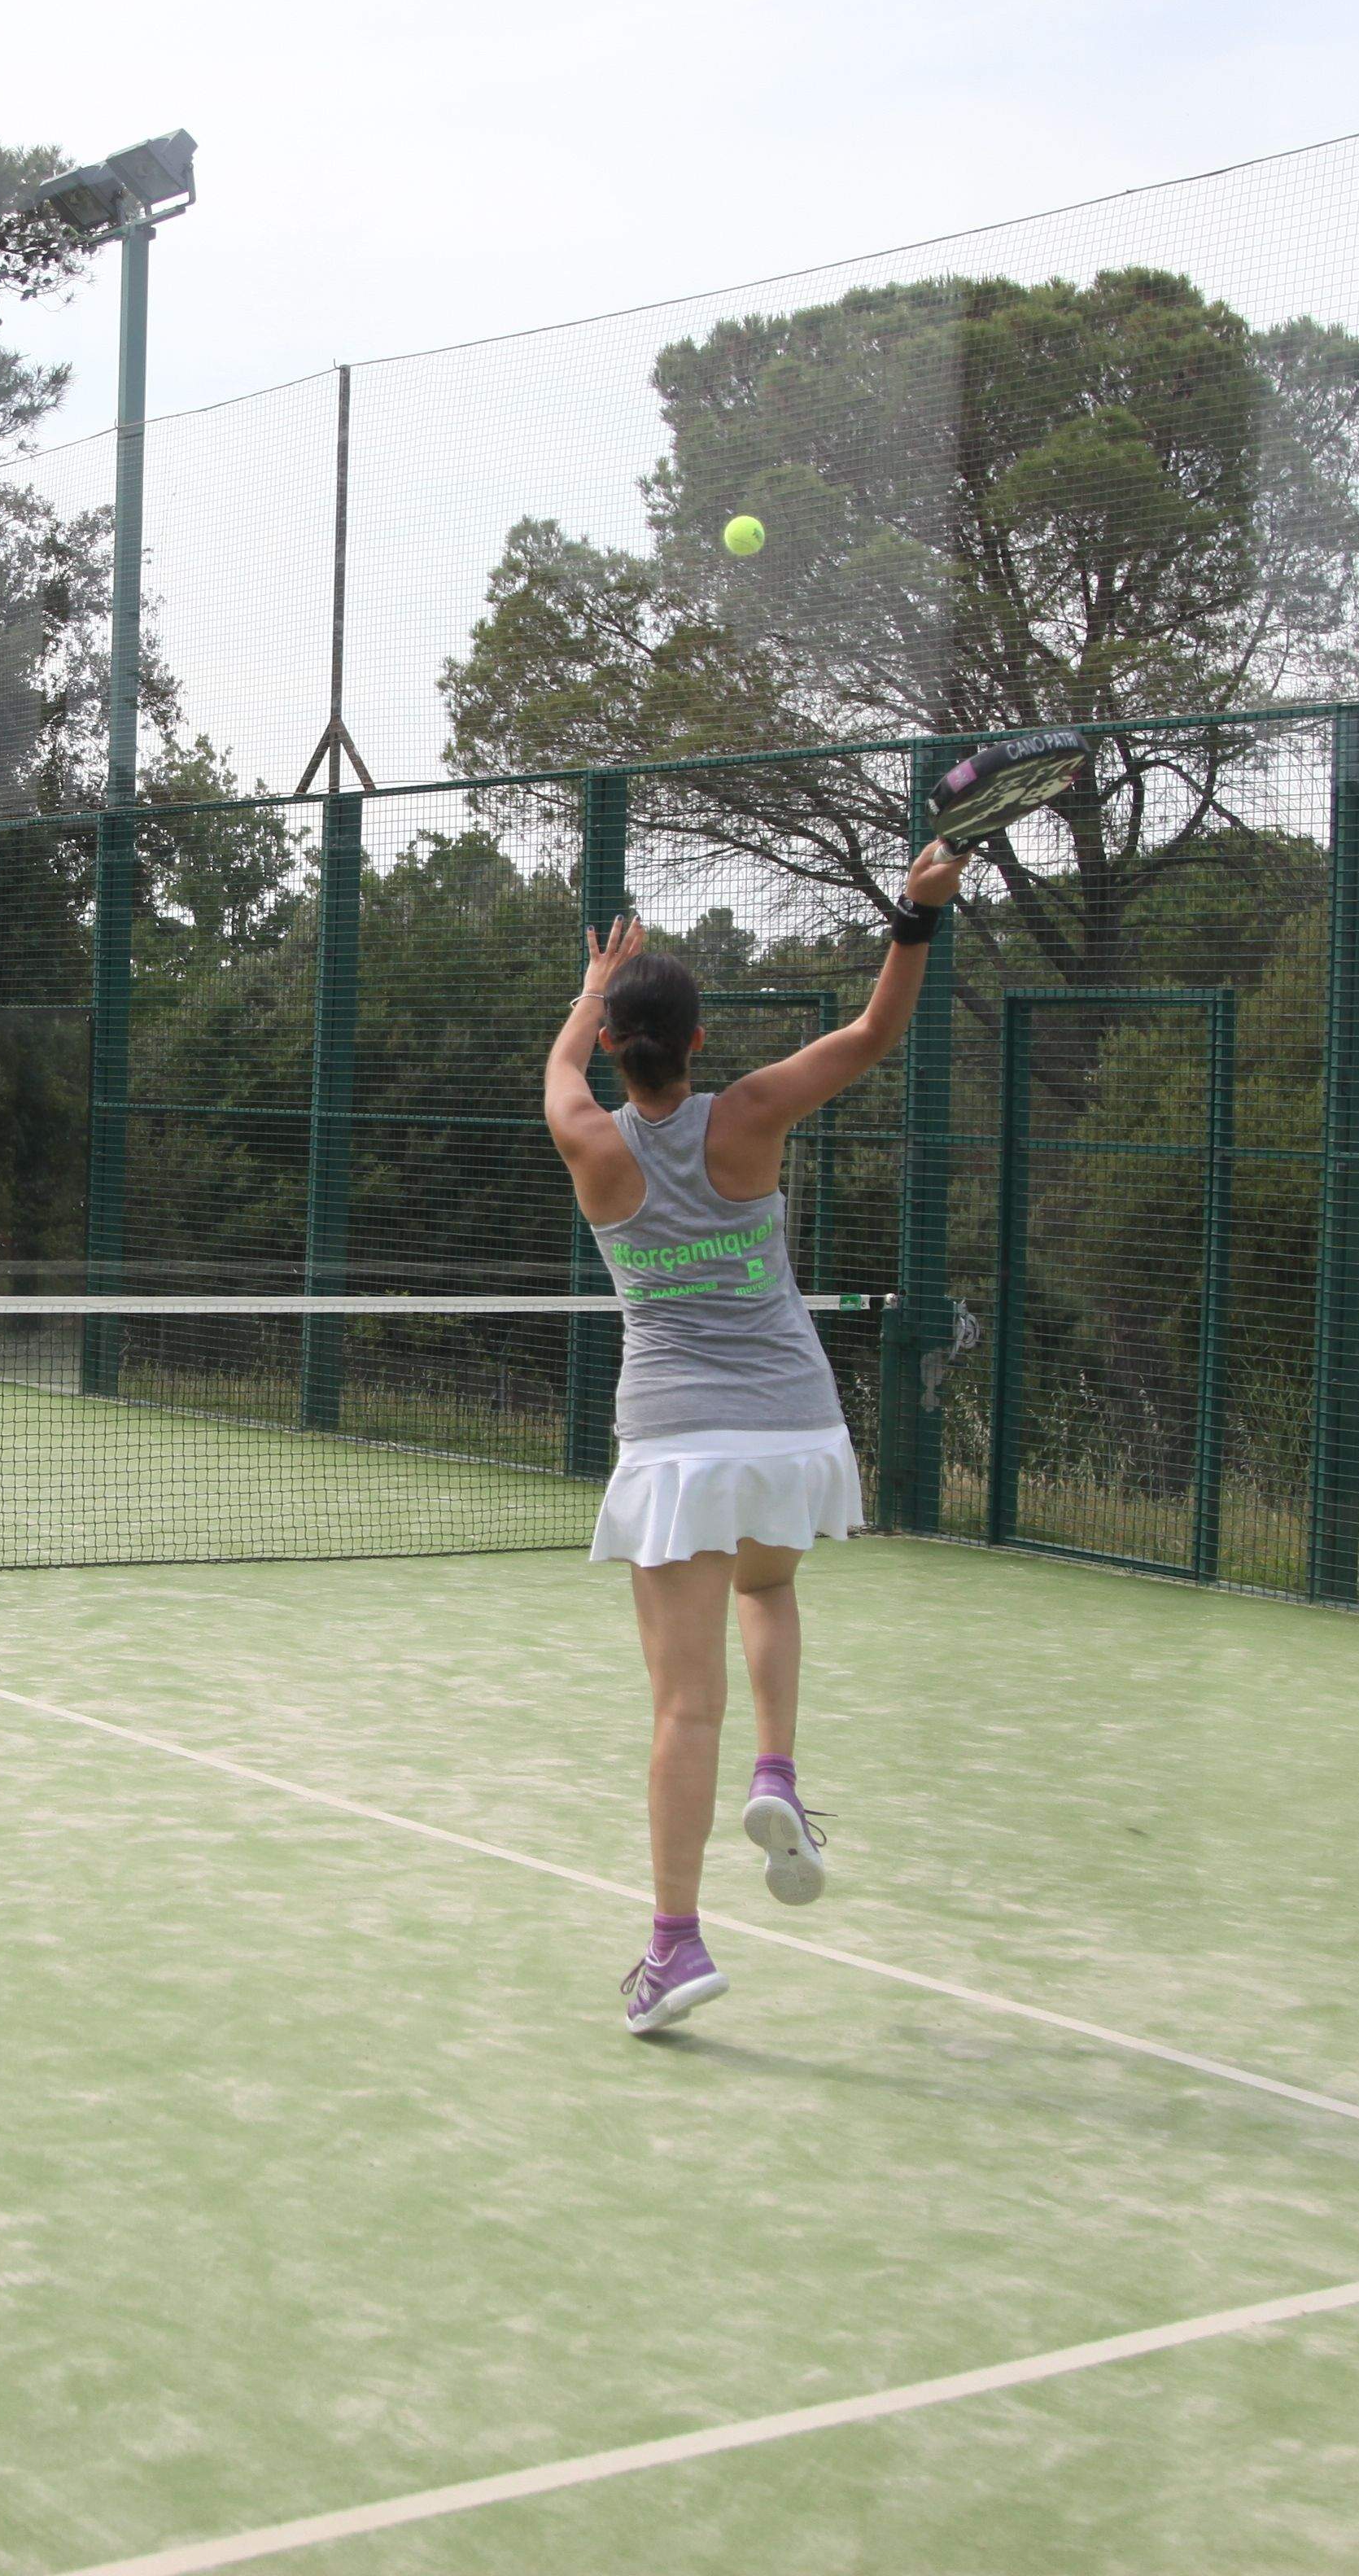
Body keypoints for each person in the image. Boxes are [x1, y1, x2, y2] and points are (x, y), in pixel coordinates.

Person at [548, 841, 970, 2034]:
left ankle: (675, 1947)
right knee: (769, 1591)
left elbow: (556, 1072)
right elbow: (877, 1035)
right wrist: (916, 912)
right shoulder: (753, 1113)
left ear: (621, 1044)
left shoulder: (590, 1142)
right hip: (792, 1427)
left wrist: (593, 984)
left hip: (675, 1444)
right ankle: (777, 1774)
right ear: (695, 1040)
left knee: (685, 1708)